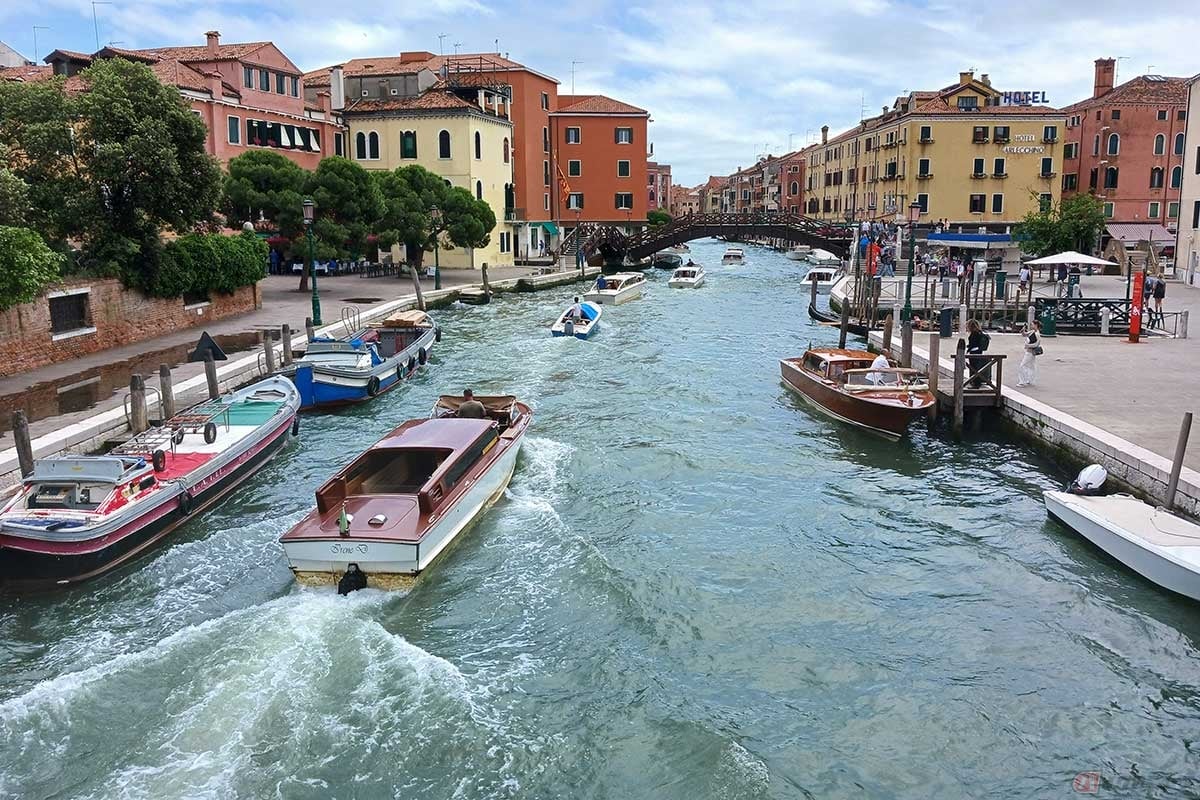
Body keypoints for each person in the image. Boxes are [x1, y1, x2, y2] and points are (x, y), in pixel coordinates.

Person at [966, 319, 991, 388]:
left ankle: (976, 383)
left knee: (974, 368)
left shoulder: (974, 334)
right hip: (979, 351)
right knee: (977, 367)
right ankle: (976, 382)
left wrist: (968, 348)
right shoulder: (980, 332)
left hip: (974, 352)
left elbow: (973, 343)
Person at [1017, 320, 1042, 387]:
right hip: (1029, 351)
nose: (1031, 326)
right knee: (1031, 366)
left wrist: (1028, 345)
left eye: (1032, 324)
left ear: (1036, 325)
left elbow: (1037, 344)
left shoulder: (1037, 334)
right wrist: (1023, 330)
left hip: (1030, 352)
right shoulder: (1032, 331)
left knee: (1022, 365)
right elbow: (1025, 334)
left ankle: (1022, 381)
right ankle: (1030, 380)